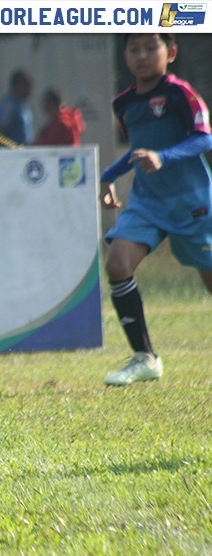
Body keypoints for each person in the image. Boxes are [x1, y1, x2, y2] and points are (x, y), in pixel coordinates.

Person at [99, 33, 212, 385]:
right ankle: (145, 358)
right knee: (117, 265)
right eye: (134, 49)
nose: (142, 56)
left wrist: (162, 157)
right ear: (125, 56)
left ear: (171, 52)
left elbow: (205, 137)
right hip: (146, 203)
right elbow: (138, 149)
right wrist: (108, 177)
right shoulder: (123, 103)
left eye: (152, 48)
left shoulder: (180, 93)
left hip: (191, 203)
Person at [0, 69, 34, 146]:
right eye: (26, 85)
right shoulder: (9, 105)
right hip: (12, 154)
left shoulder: (24, 107)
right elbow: (0, 130)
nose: (29, 90)